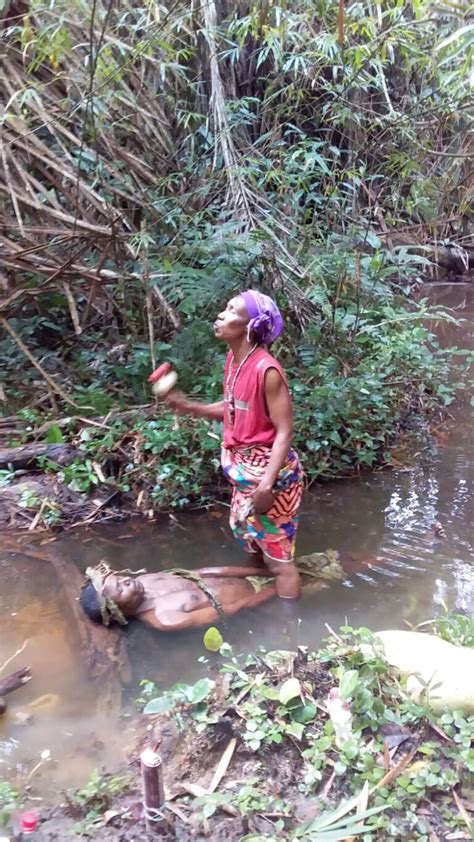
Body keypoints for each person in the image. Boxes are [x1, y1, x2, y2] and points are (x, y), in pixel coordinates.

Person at [165, 290, 304, 599]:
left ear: (251, 327)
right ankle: (260, 594)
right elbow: (233, 406)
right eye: (224, 308)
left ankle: (291, 632)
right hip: (245, 470)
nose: (220, 315)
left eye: (230, 311)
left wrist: (267, 485)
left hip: (270, 474)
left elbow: (284, 431)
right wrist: (191, 407)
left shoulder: (266, 371)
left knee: (280, 561)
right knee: (255, 541)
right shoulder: (234, 360)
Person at [80, 562, 277, 632]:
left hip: (258, 579)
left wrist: (265, 571)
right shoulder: (166, 619)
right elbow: (233, 609)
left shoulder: (146, 579)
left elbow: (206, 572)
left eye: (121, 578)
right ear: (118, 613)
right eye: (121, 589)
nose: (127, 581)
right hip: (263, 599)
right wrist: (277, 590)